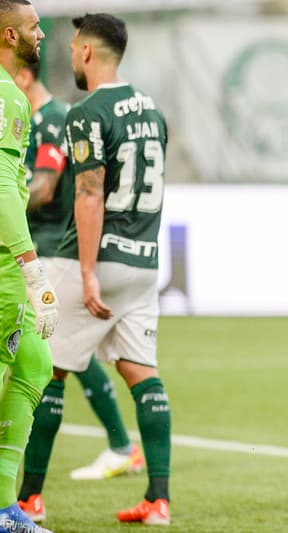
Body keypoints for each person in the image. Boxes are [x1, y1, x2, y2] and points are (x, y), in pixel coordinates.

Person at [29, 13, 172, 526]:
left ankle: (27, 500)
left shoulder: (87, 111)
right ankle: (159, 501)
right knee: (141, 373)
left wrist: (87, 272)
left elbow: (89, 194)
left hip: (96, 258)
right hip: (143, 261)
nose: (69, 57)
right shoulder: (153, 111)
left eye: (72, 50)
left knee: (46, 373)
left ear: (88, 53)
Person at [14, 61, 144, 524]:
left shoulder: (49, 119)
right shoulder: (35, 115)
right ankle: (121, 445)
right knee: (68, 353)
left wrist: (9, 198)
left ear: (22, 77)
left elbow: (45, 189)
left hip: (47, 251)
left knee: (57, 355)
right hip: (37, 249)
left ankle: (118, 446)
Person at [0, 1, 56, 532]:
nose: (43, 32)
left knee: (35, 365)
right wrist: (31, 268)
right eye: (35, 25)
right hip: (4, 265)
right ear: (9, 32)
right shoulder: (7, 97)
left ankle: (3, 508)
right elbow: (1, 187)